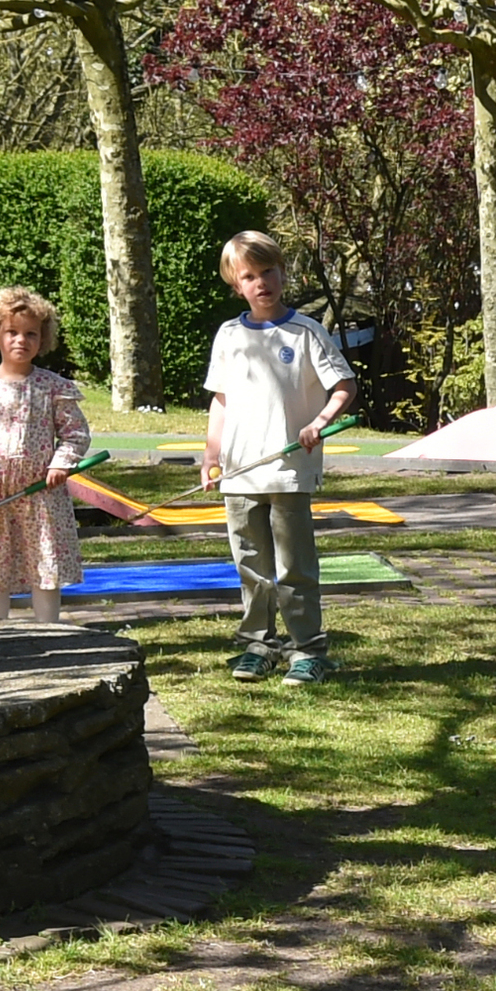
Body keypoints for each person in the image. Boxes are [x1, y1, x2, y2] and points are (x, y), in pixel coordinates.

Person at [203, 232, 353, 684]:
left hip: (288, 472)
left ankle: (307, 648)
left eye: (268, 271)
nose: (261, 282)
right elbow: (221, 401)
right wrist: (212, 456)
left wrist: (320, 421)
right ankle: (258, 645)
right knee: (251, 565)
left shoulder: (307, 332)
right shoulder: (229, 335)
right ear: (237, 286)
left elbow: (343, 386)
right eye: (249, 276)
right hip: (239, 474)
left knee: (293, 566)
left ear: (283, 274)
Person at [0, 287, 91, 625]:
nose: (21, 341)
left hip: (41, 496)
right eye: (11, 332)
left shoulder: (53, 387)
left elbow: (75, 433)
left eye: (31, 334)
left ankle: (48, 628)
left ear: (43, 339)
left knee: (45, 565)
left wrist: (61, 463)